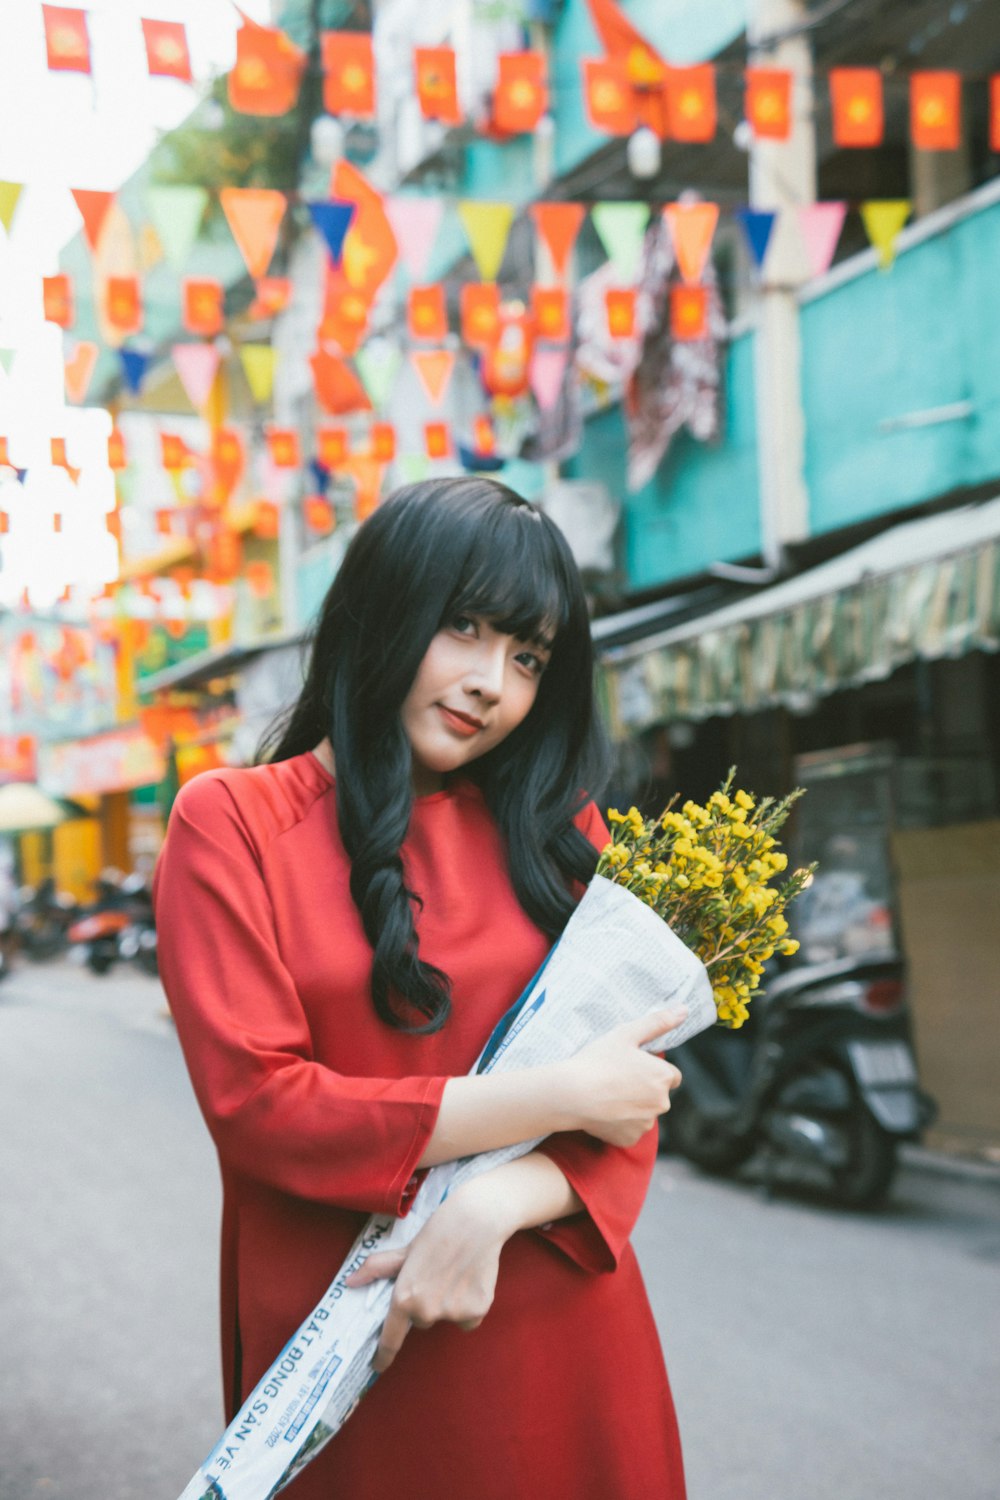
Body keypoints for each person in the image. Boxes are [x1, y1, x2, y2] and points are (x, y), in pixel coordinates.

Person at [153, 477, 688, 1499]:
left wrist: (486, 1209)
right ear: (382, 608)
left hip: (558, 1320)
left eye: (527, 657)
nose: (492, 681)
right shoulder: (231, 823)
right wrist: (558, 1096)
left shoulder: (559, 836)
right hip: (351, 1339)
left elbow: (629, 1103)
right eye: (464, 627)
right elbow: (261, 1106)